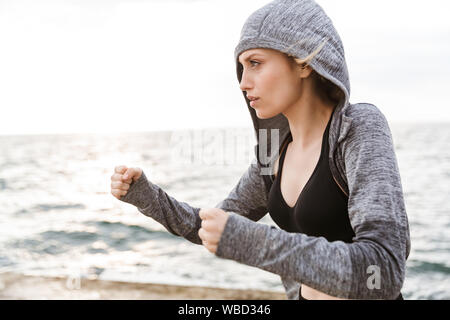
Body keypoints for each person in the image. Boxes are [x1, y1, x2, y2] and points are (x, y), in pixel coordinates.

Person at [110, 0, 410, 300]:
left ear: (304, 61)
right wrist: (145, 195)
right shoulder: (272, 153)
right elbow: (210, 225)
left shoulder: (356, 128)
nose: (242, 82)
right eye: (241, 68)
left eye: (255, 63)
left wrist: (254, 242)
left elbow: (383, 272)